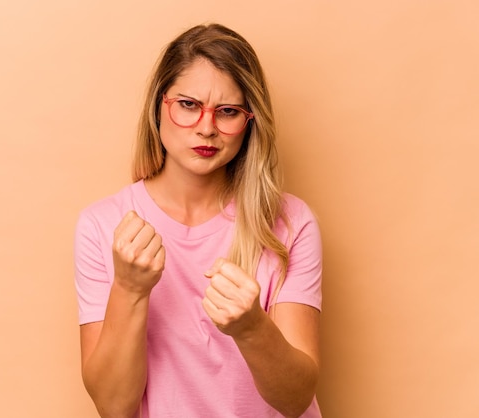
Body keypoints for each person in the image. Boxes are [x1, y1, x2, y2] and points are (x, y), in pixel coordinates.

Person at [74, 23, 323, 418]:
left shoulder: (290, 223)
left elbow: (295, 399)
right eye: (189, 105)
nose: (207, 128)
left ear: (250, 121)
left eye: (227, 112)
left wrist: (251, 328)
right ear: (160, 105)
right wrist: (129, 288)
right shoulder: (103, 226)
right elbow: (114, 407)